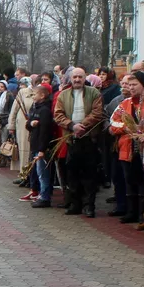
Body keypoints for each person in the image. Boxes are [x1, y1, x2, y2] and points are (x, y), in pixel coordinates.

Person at [54, 68, 105, 218]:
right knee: (72, 174)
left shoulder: (94, 93)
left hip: (89, 138)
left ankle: (89, 206)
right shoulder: (63, 95)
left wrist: (82, 125)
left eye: (80, 77)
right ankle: (75, 204)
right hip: (71, 139)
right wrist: (71, 125)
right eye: (75, 77)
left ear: (85, 78)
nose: (77, 79)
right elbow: (58, 115)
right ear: (70, 78)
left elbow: (97, 113)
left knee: (89, 174)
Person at [110, 71, 144, 225]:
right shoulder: (124, 103)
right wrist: (126, 127)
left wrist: (143, 130)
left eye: (135, 84)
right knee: (129, 181)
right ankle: (131, 212)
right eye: (129, 85)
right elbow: (113, 123)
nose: (131, 88)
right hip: (126, 149)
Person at [28, 83, 55, 209]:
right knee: (38, 171)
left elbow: (45, 131)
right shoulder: (34, 108)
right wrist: (31, 124)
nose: (32, 96)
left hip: (40, 146)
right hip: (34, 144)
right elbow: (28, 124)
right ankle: (41, 194)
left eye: (34, 94)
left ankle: (45, 197)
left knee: (42, 172)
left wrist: (42, 149)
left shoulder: (44, 111)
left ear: (42, 95)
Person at [7, 77, 34, 178]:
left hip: (36, 125)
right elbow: (14, 110)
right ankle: (24, 174)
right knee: (24, 149)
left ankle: (32, 175)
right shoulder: (23, 92)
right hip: (23, 125)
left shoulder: (44, 92)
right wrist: (11, 126)